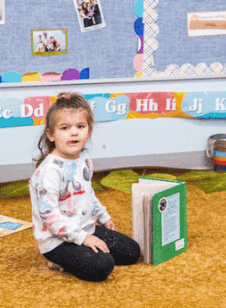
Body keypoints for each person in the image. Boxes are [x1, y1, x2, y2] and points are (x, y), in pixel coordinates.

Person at [28, 92, 141, 282]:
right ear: (51, 134)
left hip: (85, 227)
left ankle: (83, 248)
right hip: (57, 240)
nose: (74, 132)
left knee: (132, 252)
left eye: (80, 127)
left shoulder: (84, 160)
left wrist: (103, 216)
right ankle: (57, 261)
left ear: (88, 131)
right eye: (65, 128)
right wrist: (84, 239)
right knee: (103, 265)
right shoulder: (49, 172)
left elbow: (87, 192)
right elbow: (50, 217)